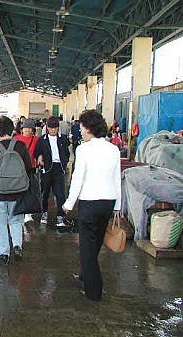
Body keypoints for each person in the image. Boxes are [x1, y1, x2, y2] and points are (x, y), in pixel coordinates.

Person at [62, 110, 121, 302]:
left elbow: (77, 179)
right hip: (108, 202)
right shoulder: (113, 149)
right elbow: (117, 178)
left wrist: (69, 203)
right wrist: (118, 205)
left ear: (88, 128)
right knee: (95, 243)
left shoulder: (83, 149)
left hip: (89, 202)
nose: (80, 129)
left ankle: (94, 291)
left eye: (81, 126)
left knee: (87, 247)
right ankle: (86, 274)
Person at [0, 116, 32, 264]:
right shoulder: (20, 146)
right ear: (13, 130)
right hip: (18, 191)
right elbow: (28, 167)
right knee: (16, 220)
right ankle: (17, 245)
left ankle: (3, 253)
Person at [35, 116, 70, 228]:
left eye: (55, 128)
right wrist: (39, 157)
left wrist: (64, 162)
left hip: (59, 168)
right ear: (47, 128)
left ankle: (60, 216)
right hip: (47, 168)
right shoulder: (42, 139)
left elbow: (67, 153)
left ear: (58, 128)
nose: (53, 130)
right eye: (51, 128)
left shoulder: (63, 139)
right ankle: (44, 213)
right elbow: (37, 152)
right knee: (44, 193)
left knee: (60, 194)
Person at [14, 118, 39, 223]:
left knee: (30, 190)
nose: (27, 130)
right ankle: (18, 210)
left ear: (33, 130)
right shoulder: (15, 138)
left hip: (31, 167)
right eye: (25, 128)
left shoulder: (36, 139)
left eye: (29, 128)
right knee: (19, 189)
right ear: (22, 129)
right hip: (18, 167)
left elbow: (39, 152)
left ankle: (28, 213)